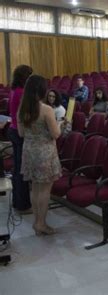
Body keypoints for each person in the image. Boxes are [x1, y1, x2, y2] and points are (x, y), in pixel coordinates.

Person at [18, 75, 61, 235]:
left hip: (29, 151)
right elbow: (55, 134)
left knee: (35, 189)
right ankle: (41, 223)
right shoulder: (46, 109)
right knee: (44, 190)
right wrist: (62, 124)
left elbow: (21, 133)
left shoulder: (22, 109)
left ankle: (37, 222)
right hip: (44, 153)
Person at [7, 64, 33, 214]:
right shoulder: (22, 92)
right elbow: (25, 115)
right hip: (19, 132)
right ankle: (23, 205)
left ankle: (18, 202)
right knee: (22, 170)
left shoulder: (14, 90)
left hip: (13, 130)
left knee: (18, 169)